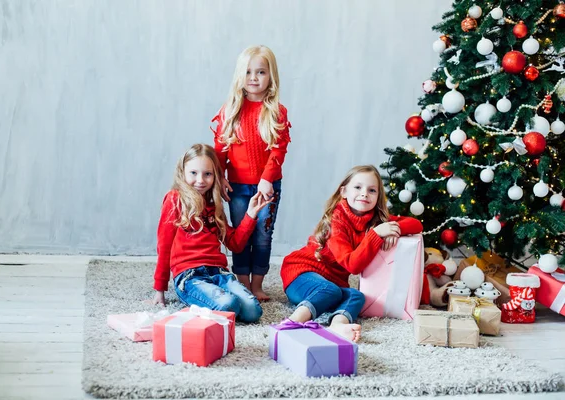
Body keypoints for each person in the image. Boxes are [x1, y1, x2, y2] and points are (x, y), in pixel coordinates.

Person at [280, 165, 423, 341]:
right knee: (329, 290)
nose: (364, 194)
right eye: (358, 187)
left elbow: (416, 224)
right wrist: (376, 234)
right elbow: (352, 265)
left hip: (332, 283)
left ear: (378, 197)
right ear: (344, 192)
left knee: (357, 296)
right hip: (301, 273)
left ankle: (337, 325)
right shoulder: (337, 221)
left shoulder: (375, 221)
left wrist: (394, 228)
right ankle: (291, 323)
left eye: (372, 190)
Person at [152, 144, 271, 322]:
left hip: (218, 273)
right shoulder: (175, 200)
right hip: (189, 275)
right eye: (193, 173)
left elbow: (235, 244)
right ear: (182, 172)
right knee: (227, 305)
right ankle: (204, 299)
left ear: (215, 175)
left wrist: (250, 214)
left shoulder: (214, 205)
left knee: (253, 312)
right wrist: (159, 289)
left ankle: (216, 299)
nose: (200, 180)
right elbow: (164, 245)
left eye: (207, 174)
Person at [212, 45, 291, 301]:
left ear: (271, 76)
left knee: (262, 235)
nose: (254, 78)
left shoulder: (276, 111)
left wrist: (266, 179)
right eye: (248, 72)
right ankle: (243, 283)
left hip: (267, 187)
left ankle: (257, 285)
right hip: (237, 186)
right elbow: (219, 149)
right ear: (239, 76)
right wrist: (221, 176)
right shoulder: (231, 111)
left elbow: (278, 151)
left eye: (260, 72)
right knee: (241, 234)